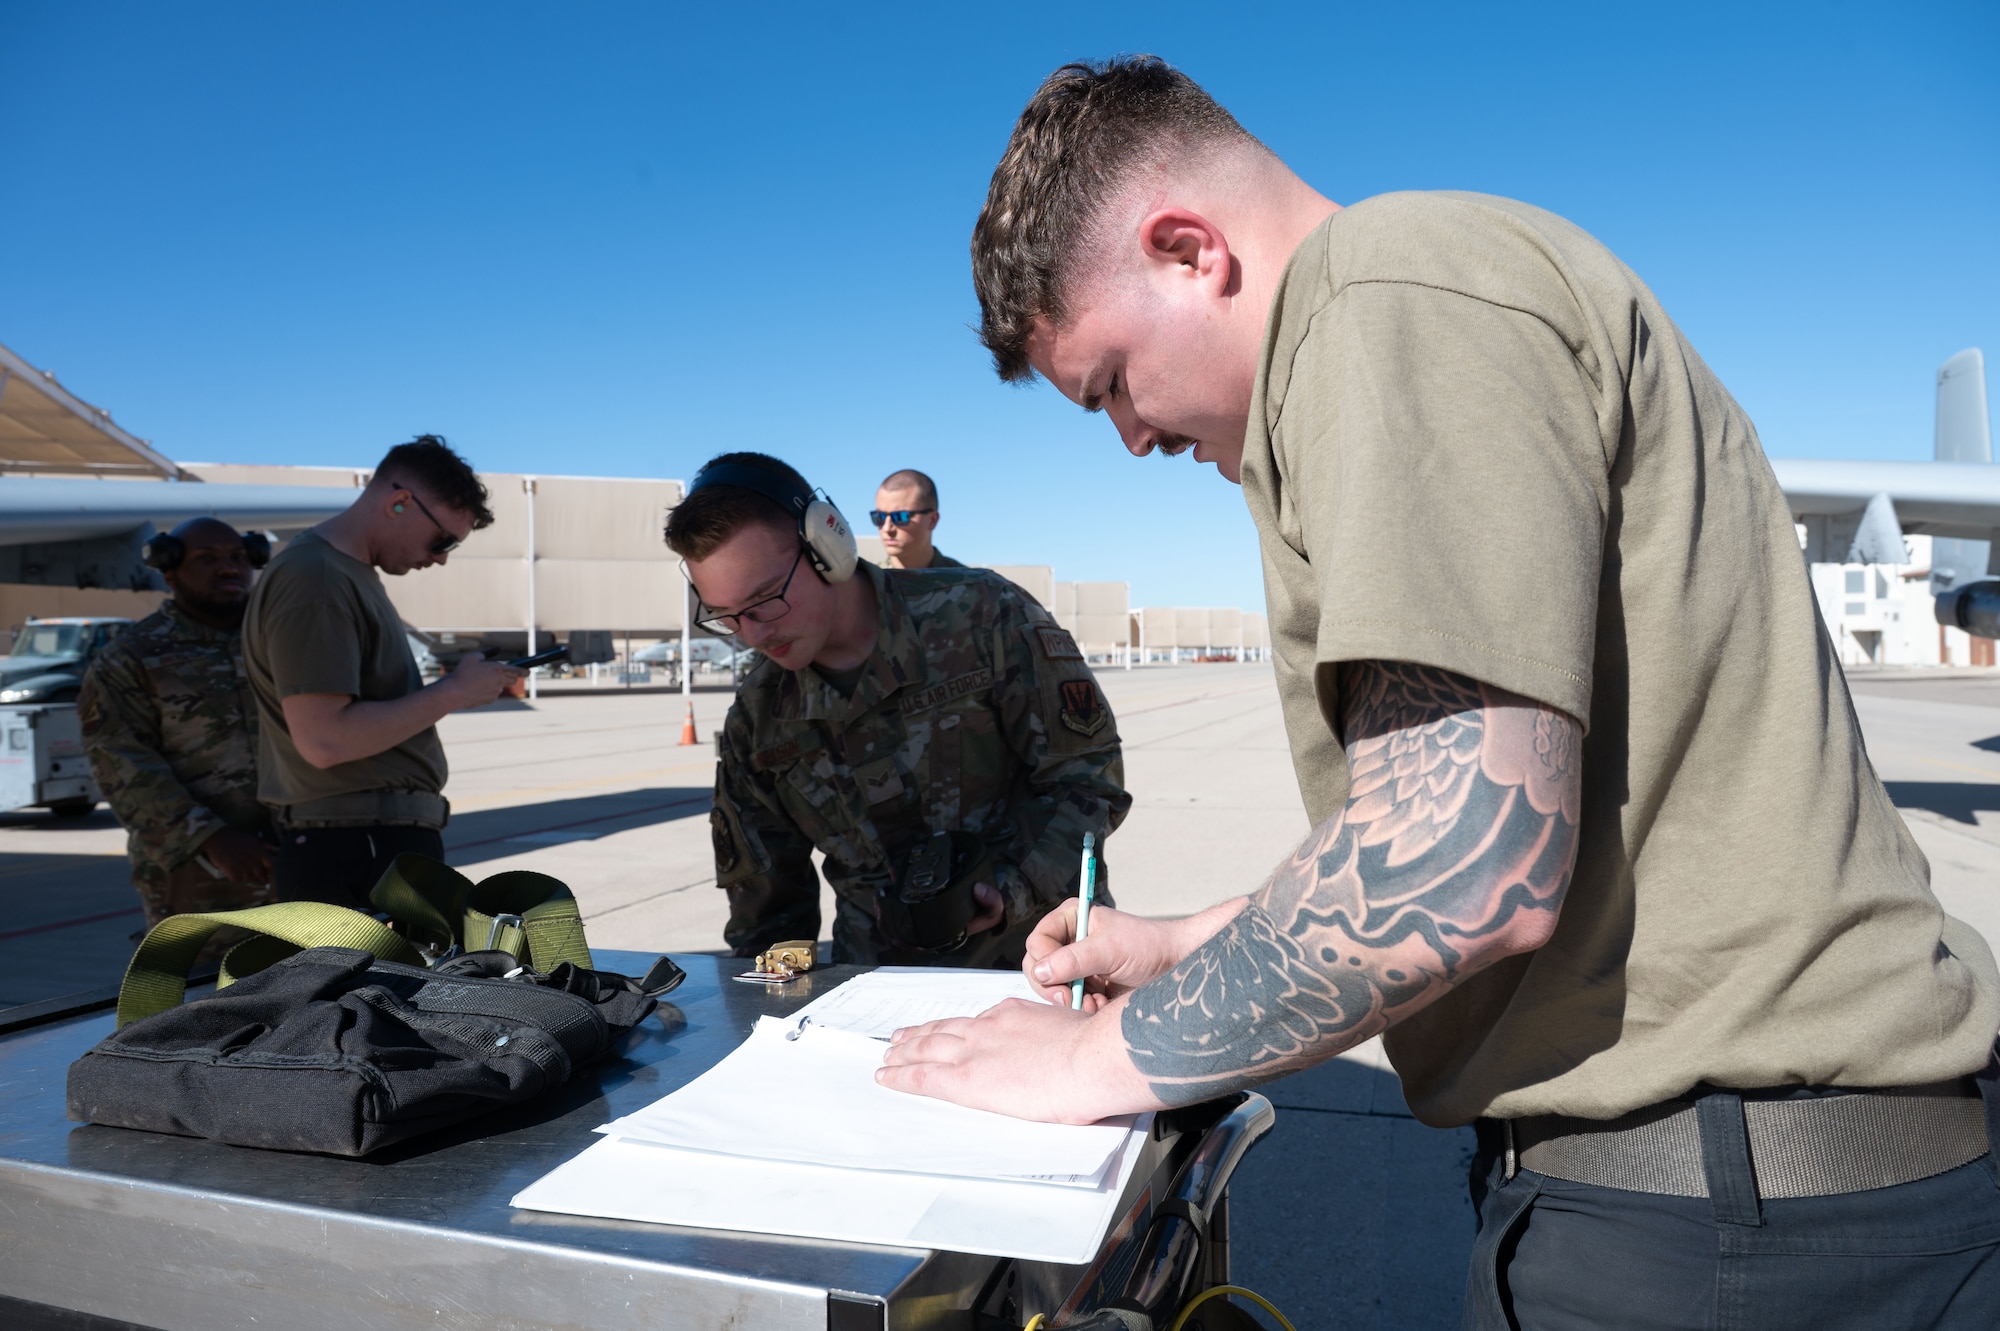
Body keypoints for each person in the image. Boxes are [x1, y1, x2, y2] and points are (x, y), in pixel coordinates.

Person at [878, 57, 2000, 1328]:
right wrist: (1180, 941)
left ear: (1189, 249)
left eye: (1111, 384)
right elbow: (1455, 818)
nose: (1129, 437)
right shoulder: (1400, 316)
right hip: (1738, 1199)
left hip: (1729, 1229)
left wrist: (1082, 1061)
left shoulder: (1382, 297)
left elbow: (1464, 858)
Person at [671, 451, 1130, 967]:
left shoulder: (982, 617)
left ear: (828, 546)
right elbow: (769, 916)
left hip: (1041, 963)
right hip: (874, 991)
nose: (753, 634)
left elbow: (1090, 781)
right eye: (727, 617)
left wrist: (1007, 888)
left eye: (765, 601)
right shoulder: (758, 715)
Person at [241, 435, 523, 911]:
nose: (441, 558)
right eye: (443, 540)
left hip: (363, 843)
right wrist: (454, 691)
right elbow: (325, 740)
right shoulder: (318, 579)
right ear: (399, 503)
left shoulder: (344, 574)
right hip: (353, 847)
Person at [79, 519, 276, 929]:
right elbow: (121, 762)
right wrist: (210, 837)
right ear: (169, 571)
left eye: (238, 558)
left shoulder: (280, 641)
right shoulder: (131, 658)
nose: (228, 568)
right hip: (197, 879)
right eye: (207, 559)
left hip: (298, 862)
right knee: (207, 990)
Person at [871, 468, 961, 570]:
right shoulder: (866, 583)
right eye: (879, 517)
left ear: (932, 520)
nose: (887, 528)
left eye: (901, 517)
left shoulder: (970, 582)